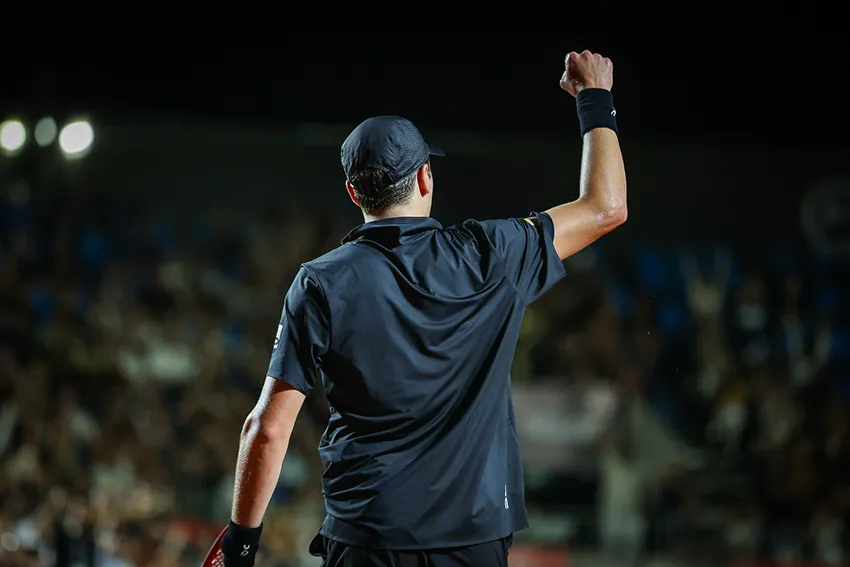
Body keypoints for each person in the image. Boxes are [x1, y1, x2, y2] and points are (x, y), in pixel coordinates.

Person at [221, 50, 627, 567]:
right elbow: (606, 207)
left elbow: (267, 429)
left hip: (367, 539)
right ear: (425, 178)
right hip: (472, 542)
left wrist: (241, 542)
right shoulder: (492, 255)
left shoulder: (320, 282)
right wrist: (595, 98)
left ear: (354, 192)